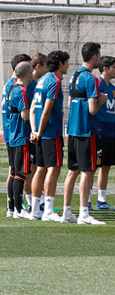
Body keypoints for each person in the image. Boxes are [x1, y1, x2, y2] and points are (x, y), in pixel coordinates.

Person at [62, 42, 108, 225]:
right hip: (86, 131)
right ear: (95, 57)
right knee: (88, 171)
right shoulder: (89, 78)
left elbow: (69, 103)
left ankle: (67, 212)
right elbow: (92, 109)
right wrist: (102, 100)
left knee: (72, 171)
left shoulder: (74, 75)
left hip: (72, 129)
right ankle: (83, 213)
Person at [29, 50, 69, 222]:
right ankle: (49, 210)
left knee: (40, 169)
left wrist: (34, 130)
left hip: (39, 132)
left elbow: (32, 109)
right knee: (53, 169)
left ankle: (35, 210)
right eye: (67, 62)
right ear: (60, 63)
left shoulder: (41, 80)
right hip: (51, 132)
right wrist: (40, 130)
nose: (68, 66)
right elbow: (46, 110)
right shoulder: (54, 80)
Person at [4, 61, 33, 218]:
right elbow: (24, 115)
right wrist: (32, 108)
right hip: (21, 136)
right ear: (28, 73)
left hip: (13, 135)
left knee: (14, 172)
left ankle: (11, 208)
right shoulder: (22, 90)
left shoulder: (11, 88)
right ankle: (18, 210)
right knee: (20, 174)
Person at [94, 55, 115, 211]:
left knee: (106, 166)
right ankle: (87, 201)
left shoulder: (113, 88)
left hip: (111, 130)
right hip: (100, 130)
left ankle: (101, 200)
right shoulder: (97, 84)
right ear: (105, 68)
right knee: (93, 167)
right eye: (114, 67)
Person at [24, 53, 47, 210]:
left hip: (32, 132)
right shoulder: (31, 85)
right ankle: (32, 203)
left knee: (34, 168)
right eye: (45, 66)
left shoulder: (35, 84)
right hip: (29, 133)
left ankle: (37, 201)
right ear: (38, 66)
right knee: (30, 169)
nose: (47, 69)